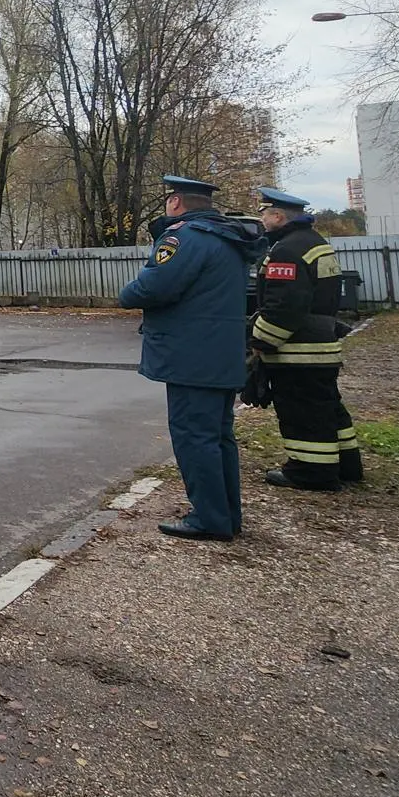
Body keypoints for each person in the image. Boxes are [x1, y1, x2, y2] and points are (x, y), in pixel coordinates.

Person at [118, 175, 262, 541]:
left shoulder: (185, 238)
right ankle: (226, 513)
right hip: (219, 352)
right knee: (217, 436)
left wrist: (127, 292)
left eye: (168, 199)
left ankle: (210, 519)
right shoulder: (227, 239)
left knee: (194, 437)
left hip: (191, 355)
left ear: (176, 202)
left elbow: (154, 286)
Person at [249, 187, 358, 491]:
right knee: (328, 407)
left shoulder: (287, 250)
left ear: (279, 216)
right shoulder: (315, 243)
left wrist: (260, 343)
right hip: (320, 345)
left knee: (302, 412)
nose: (263, 221)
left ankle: (311, 472)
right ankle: (347, 464)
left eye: (265, 214)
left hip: (298, 350)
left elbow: (284, 307)